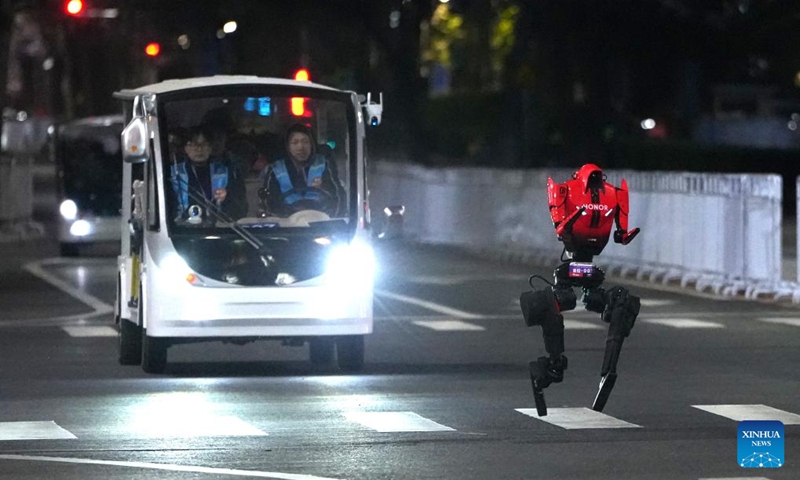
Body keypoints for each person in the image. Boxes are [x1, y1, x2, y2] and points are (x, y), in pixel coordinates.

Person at [259, 123, 345, 217]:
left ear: (312, 144)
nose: (301, 147)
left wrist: (323, 187)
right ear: (288, 146)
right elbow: (268, 204)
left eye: (305, 142)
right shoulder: (275, 169)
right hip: (286, 223)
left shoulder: (324, 164)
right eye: (295, 142)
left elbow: (338, 196)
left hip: (320, 221)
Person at [170, 126, 246, 222]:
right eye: (193, 144)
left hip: (216, 228)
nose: (199, 149)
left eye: (204, 144)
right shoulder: (174, 173)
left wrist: (226, 197)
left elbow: (239, 208)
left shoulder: (223, 172)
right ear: (185, 148)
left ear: (211, 147)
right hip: (182, 228)